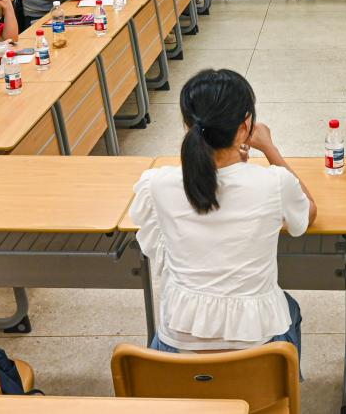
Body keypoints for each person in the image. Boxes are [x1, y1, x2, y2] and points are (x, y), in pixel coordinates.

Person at [128, 69, 316, 355]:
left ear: (187, 124)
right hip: (259, 348)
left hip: (176, 348)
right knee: (290, 309)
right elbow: (307, 213)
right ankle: (286, 383)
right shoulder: (274, 184)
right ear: (245, 126)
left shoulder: (156, 184)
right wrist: (270, 148)